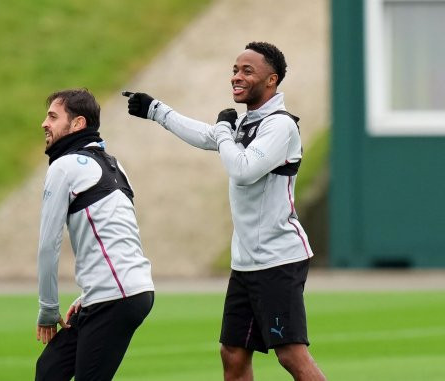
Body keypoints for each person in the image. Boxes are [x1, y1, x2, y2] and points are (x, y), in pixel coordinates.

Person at [125, 42, 326, 381]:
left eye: (247, 71)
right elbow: (207, 136)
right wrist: (156, 110)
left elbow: (243, 169)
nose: (236, 76)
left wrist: (222, 131)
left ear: (272, 80)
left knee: (291, 354)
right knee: (232, 353)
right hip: (247, 263)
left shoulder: (280, 126)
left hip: (278, 259)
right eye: (235, 70)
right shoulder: (247, 123)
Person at [35, 88, 155, 380]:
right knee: (49, 371)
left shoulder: (64, 167)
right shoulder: (114, 164)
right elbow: (118, 236)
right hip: (123, 290)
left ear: (77, 124)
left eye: (53, 116)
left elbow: (48, 246)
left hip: (116, 294)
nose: (44, 124)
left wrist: (49, 309)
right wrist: (88, 295)